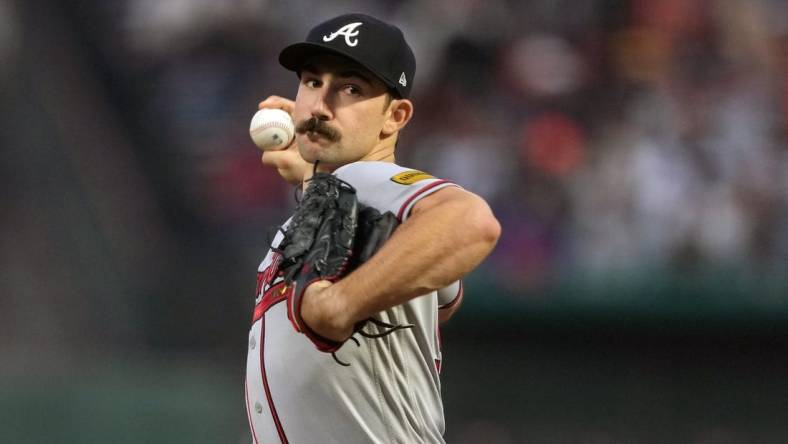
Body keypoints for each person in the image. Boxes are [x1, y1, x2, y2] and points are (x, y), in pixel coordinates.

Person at [245, 13, 500, 444]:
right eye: (311, 82)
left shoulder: (369, 182)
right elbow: (445, 299)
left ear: (395, 116)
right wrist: (312, 181)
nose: (320, 105)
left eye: (350, 88)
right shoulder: (347, 202)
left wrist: (342, 303)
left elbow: (472, 221)